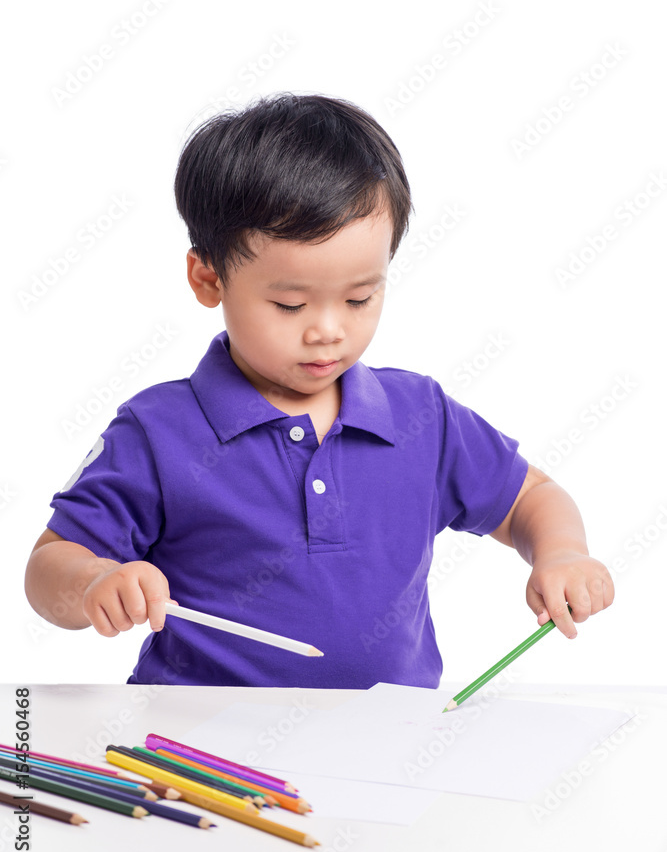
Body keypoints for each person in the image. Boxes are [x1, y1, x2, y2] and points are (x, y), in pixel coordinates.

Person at [24, 92, 614, 688]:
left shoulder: (420, 417)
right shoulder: (158, 432)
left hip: (391, 748)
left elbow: (528, 498)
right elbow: (49, 566)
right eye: (290, 303)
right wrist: (95, 584)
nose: (328, 330)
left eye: (360, 297)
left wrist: (561, 552)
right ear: (209, 279)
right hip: (202, 755)